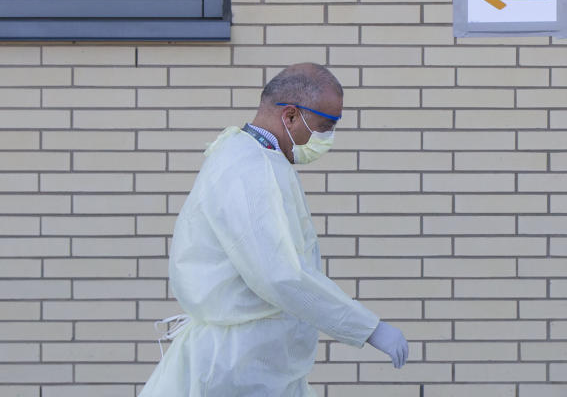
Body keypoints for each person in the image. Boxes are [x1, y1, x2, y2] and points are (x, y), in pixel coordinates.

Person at [139, 63, 408, 397]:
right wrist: (369, 328)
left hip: (254, 363)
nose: (326, 138)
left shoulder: (243, 153)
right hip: (242, 368)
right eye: (323, 126)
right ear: (291, 116)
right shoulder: (252, 171)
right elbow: (280, 274)